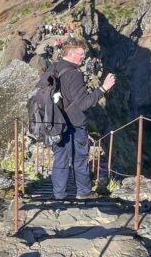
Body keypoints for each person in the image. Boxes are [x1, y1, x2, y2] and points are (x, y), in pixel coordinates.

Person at [48, 37, 116, 201]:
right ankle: (84, 192)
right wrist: (103, 88)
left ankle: (59, 195)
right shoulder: (75, 75)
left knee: (60, 158)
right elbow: (84, 104)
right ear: (70, 53)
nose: (83, 58)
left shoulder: (52, 69)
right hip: (74, 123)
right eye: (80, 54)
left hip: (56, 122)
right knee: (79, 158)